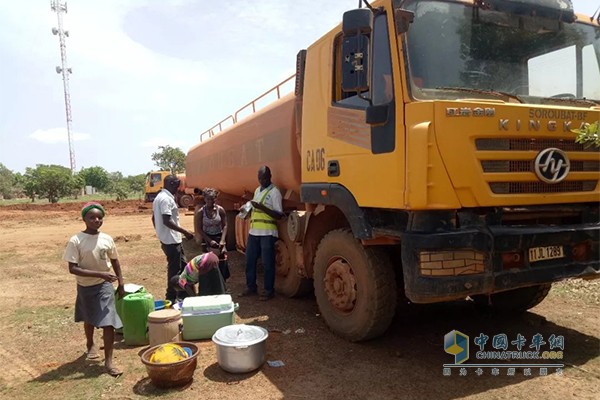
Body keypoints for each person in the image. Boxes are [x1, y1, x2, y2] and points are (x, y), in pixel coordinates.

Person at [63, 202, 124, 377]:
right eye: (92, 217)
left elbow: (115, 261)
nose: (96, 220)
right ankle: (90, 344)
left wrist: (121, 283)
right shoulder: (76, 241)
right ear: (84, 219)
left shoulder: (107, 239)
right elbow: (72, 268)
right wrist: (100, 274)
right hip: (85, 286)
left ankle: (109, 362)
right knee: (88, 317)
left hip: (104, 285)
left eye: (99, 217)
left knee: (108, 321)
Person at [239, 166, 284, 301]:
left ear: (270, 177)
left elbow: (279, 215)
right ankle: (251, 287)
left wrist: (262, 207)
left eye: (264, 178)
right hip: (254, 232)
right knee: (250, 260)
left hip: (268, 233)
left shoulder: (275, 192)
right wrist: (246, 210)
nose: (262, 181)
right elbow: (254, 208)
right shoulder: (257, 190)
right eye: (260, 178)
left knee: (267, 263)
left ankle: (269, 290)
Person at [152, 174, 194, 303]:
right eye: (177, 184)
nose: (179, 187)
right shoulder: (166, 199)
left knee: (183, 267)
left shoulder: (159, 197)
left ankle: (183, 294)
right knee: (174, 271)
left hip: (169, 239)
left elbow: (153, 218)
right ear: (171, 184)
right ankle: (170, 297)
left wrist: (159, 231)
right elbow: (167, 220)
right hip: (171, 240)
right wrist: (185, 232)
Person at [195, 187, 230, 282]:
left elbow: (225, 225)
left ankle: (223, 285)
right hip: (206, 238)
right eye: (208, 199)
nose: (210, 201)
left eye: (212, 198)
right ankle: (211, 284)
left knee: (221, 262)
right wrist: (210, 241)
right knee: (208, 262)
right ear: (204, 199)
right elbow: (199, 229)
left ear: (215, 199)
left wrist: (223, 240)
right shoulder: (201, 212)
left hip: (219, 237)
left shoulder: (220, 210)